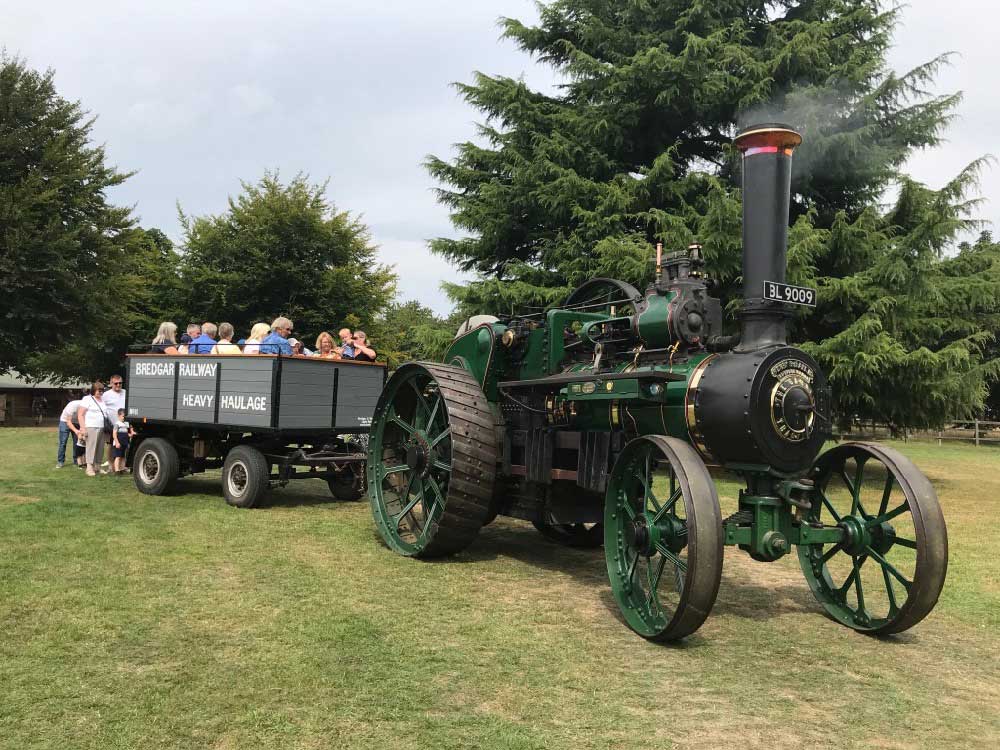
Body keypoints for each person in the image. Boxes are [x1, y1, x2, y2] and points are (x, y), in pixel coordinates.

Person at [77, 382, 112, 476]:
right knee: (91, 447)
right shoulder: (87, 399)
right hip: (91, 426)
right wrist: (83, 428)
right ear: (93, 390)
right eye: (98, 391)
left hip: (102, 427)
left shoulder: (102, 400)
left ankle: (98, 466)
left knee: (100, 448)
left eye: (102, 391)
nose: (100, 393)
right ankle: (89, 468)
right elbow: (80, 414)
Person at [56, 395, 84, 468]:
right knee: (63, 442)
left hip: (77, 423)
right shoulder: (73, 405)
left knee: (77, 443)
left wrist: (81, 429)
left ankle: (76, 461)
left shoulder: (87, 408)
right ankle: (60, 461)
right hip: (65, 421)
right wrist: (76, 431)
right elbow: (68, 422)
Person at [111, 408, 135, 475]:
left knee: (123, 456)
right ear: (118, 416)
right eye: (123, 416)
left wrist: (130, 435)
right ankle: (117, 470)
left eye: (125, 416)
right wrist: (117, 442)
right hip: (119, 443)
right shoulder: (117, 424)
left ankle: (122, 468)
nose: (124, 418)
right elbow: (114, 434)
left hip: (124, 442)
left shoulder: (126, 424)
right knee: (118, 456)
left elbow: (126, 433)